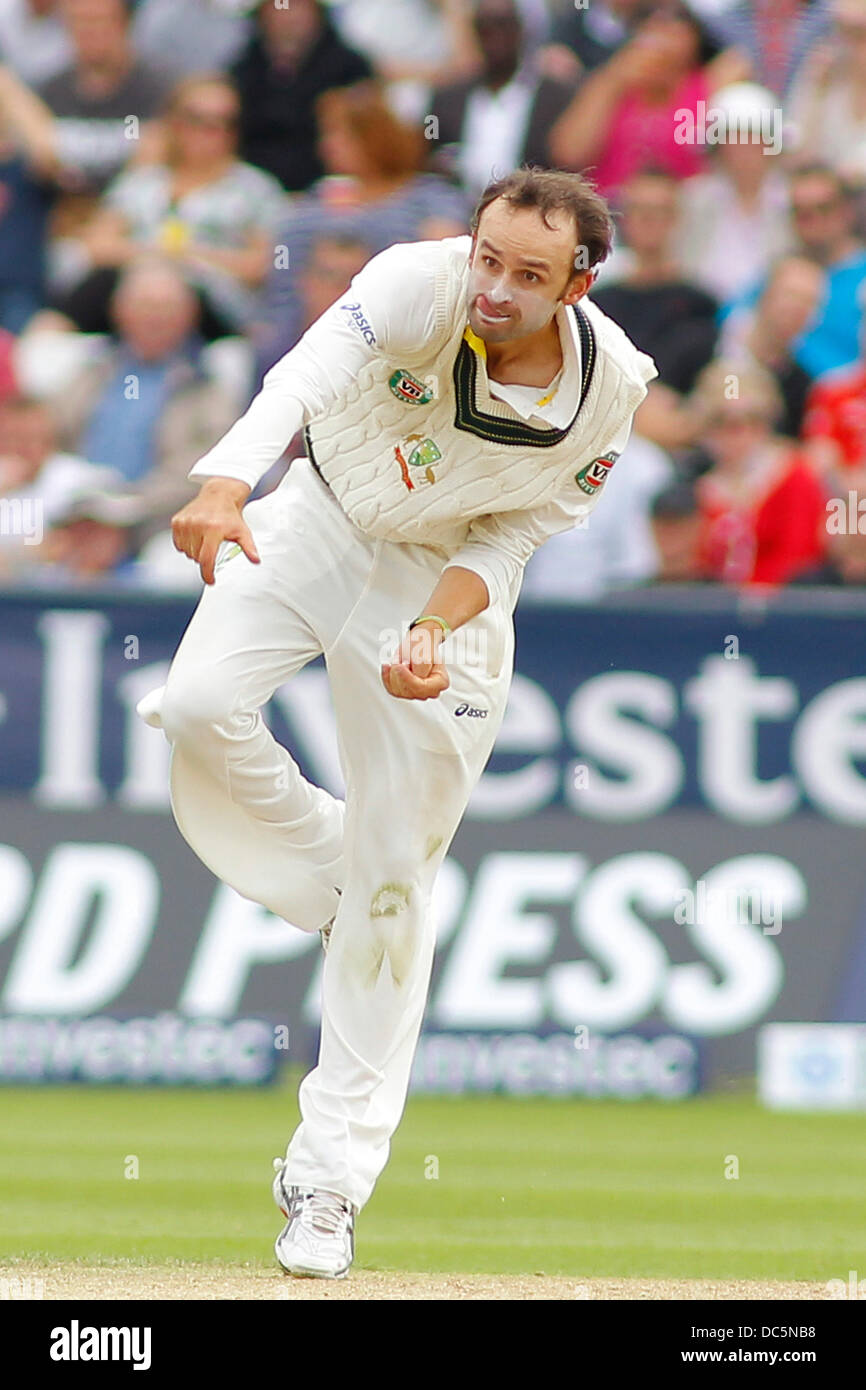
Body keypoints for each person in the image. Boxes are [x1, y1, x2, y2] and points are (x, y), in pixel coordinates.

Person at [136, 167, 657, 1279]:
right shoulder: (416, 282)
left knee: (396, 884)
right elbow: (304, 373)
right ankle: (344, 883)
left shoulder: (610, 387)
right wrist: (227, 478)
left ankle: (326, 1186)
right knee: (195, 706)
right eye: (488, 258)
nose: (495, 290)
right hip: (316, 512)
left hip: (440, 587)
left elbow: (511, 540)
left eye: (528, 274)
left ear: (579, 279)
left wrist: (428, 628)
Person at [255, 80, 467, 373]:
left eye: (341, 134)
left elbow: (444, 263)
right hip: (301, 336)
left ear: (376, 137)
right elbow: (280, 269)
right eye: (326, 133)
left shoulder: (430, 198)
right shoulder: (315, 197)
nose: (327, 145)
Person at [53, 73, 288, 339]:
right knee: (70, 304)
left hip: (212, 307)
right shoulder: (143, 181)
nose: (212, 132)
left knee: (166, 291)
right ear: (174, 123)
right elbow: (97, 246)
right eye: (198, 120)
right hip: (129, 293)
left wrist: (188, 259)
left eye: (225, 122)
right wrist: (160, 256)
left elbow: (264, 265)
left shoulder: (255, 189)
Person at [690, 359, 828, 584]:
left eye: (752, 421)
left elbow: (799, 557)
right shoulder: (701, 490)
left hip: (784, 607)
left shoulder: (794, 476)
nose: (739, 436)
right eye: (723, 423)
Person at [430, 0, 579, 197]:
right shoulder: (447, 99)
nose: (495, 38)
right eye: (485, 29)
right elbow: (428, 155)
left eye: (503, 26)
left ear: (521, 31)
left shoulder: (556, 98)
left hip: (532, 205)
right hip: (456, 208)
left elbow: (566, 162)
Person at [230, 0, 372, 193]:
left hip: (330, 186)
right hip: (252, 187)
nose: (290, 16)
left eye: (299, 6)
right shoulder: (241, 69)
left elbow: (367, 137)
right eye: (281, 6)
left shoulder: (351, 68)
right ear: (262, 14)